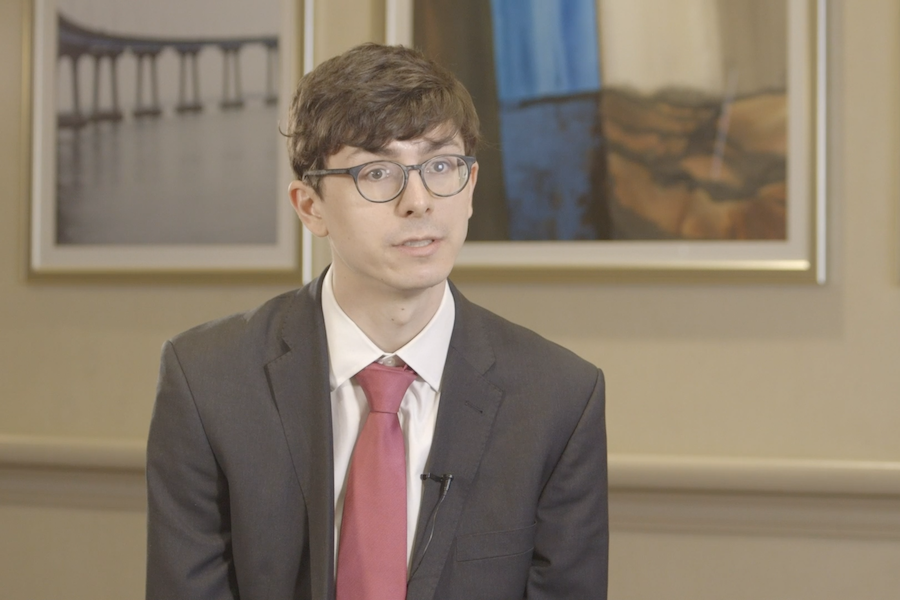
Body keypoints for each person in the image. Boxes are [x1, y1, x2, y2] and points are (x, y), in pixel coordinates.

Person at [146, 42, 608, 600]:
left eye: (441, 165)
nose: (418, 201)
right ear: (310, 206)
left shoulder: (560, 396)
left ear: (470, 187)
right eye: (377, 172)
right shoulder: (206, 380)